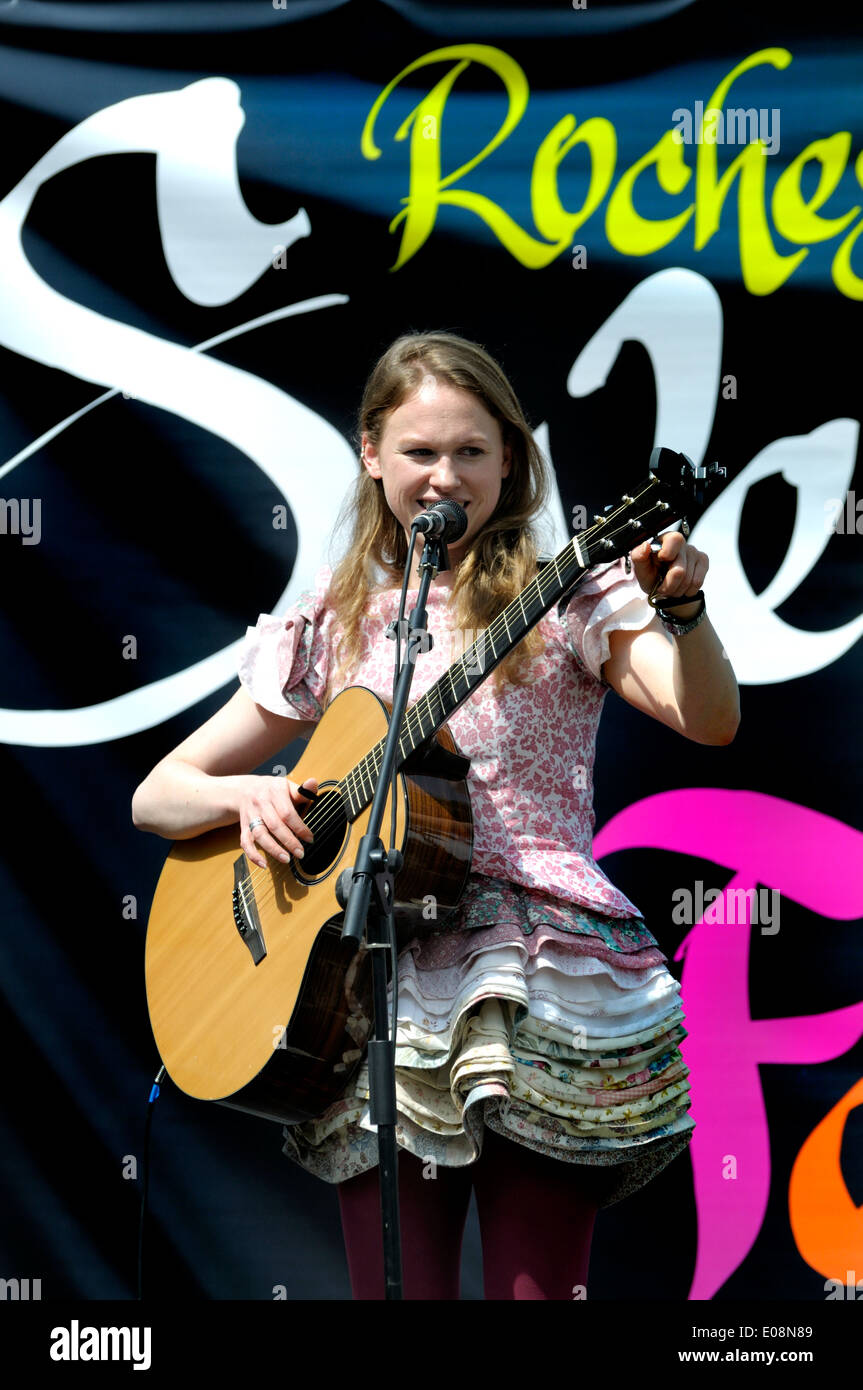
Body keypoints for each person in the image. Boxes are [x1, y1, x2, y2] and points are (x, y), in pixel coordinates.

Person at [132, 330, 740, 1301]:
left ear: (511, 460)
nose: (443, 475)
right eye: (418, 452)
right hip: (376, 985)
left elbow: (705, 717)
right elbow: (156, 793)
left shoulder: (574, 598)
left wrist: (682, 613)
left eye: (470, 451)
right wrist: (247, 793)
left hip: (541, 974)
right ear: (370, 453)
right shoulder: (333, 625)